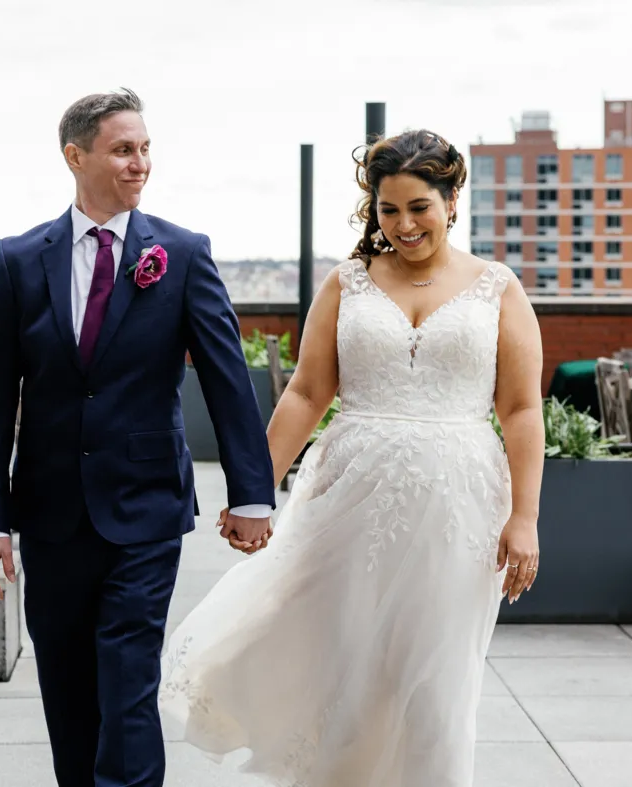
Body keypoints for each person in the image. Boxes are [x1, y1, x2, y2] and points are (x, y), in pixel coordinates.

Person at [159, 129, 545, 787]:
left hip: (460, 508)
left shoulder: (497, 289)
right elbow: (307, 392)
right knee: (346, 668)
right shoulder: (348, 283)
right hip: (348, 501)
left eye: (418, 206)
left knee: (436, 684)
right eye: (387, 209)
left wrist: (526, 517)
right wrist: (257, 491)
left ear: (454, 198)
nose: (403, 225)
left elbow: (521, 410)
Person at [0, 88, 276, 787]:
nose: (140, 164)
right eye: (123, 149)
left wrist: (252, 493)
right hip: (49, 512)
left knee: (128, 675)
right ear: (76, 156)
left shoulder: (184, 254)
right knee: (68, 683)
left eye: (145, 148)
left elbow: (227, 378)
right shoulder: (19, 261)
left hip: (146, 508)